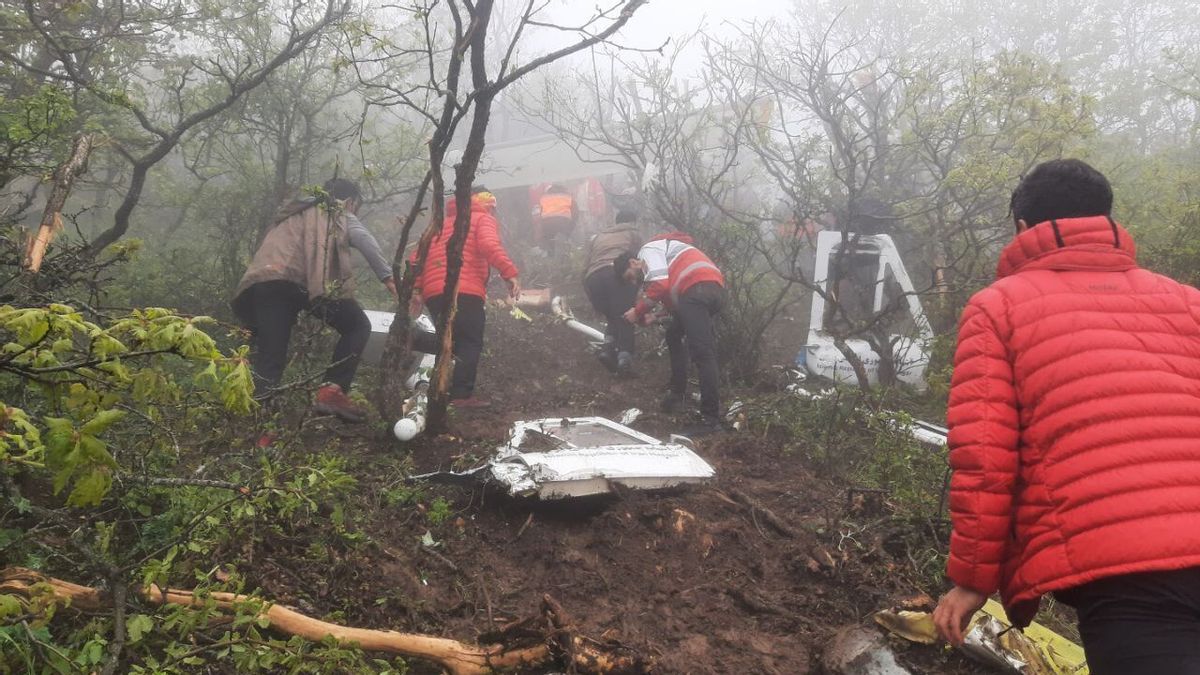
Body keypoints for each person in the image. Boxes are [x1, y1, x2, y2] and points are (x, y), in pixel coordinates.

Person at [932, 158, 1200, 675]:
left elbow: (986, 458)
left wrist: (972, 578)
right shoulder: (1189, 303)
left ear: (1022, 228)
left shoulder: (999, 307)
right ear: (1105, 219)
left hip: (1128, 575)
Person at [232, 178, 396, 422]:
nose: (354, 212)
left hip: (263, 282)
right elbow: (365, 241)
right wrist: (390, 280)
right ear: (350, 201)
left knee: (271, 353)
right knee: (357, 326)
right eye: (356, 207)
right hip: (298, 281)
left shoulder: (291, 213)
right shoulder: (336, 210)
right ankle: (332, 391)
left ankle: (258, 421)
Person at [411, 186, 520, 408]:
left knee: (450, 340)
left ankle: (415, 339)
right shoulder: (481, 218)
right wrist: (510, 273)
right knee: (470, 341)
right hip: (465, 289)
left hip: (434, 293)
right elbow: (489, 245)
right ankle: (460, 395)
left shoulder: (439, 225)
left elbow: (417, 257)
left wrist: (416, 290)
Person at [616, 232, 725, 430]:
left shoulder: (647, 251)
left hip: (697, 287)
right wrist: (655, 316)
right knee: (673, 334)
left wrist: (637, 311)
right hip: (709, 287)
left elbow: (661, 285)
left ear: (633, 262)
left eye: (631, 277)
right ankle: (677, 392)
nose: (635, 283)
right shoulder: (666, 255)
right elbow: (673, 297)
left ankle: (711, 419)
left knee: (702, 353)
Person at [582, 208, 642, 374]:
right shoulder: (633, 233)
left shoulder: (599, 236)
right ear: (633, 222)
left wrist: (589, 291)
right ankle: (625, 361)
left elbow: (586, 263)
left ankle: (608, 350)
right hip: (616, 274)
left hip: (592, 278)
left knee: (613, 316)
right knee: (626, 316)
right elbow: (640, 260)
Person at [533, 183, 577, 256]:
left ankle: (550, 258)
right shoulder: (567, 197)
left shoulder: (544, 198)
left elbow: (540, 214)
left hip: (547, 223)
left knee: (550, 243)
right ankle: (565, 259)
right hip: (563, 222)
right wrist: (569, 230)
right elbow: (575, 213)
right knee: (564, 242)